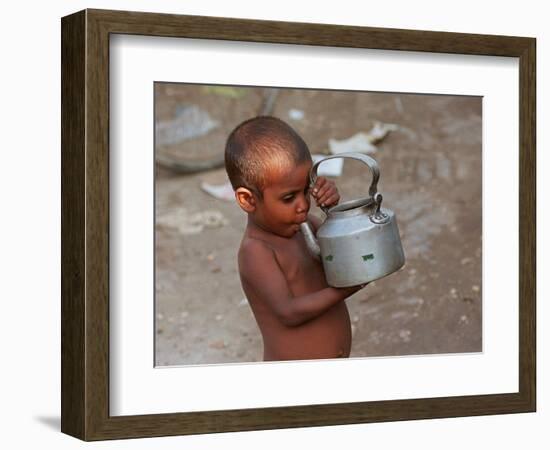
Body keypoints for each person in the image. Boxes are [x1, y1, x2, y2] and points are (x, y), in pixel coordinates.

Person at [225, 116, 365, 361]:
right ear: (248, 200)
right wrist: (343, 291)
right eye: (289, 198)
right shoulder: (257, 251)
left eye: (306, 190)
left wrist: (331, 210)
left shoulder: (306, 225)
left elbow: (337, 255)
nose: (303, 204)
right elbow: (288, 312)